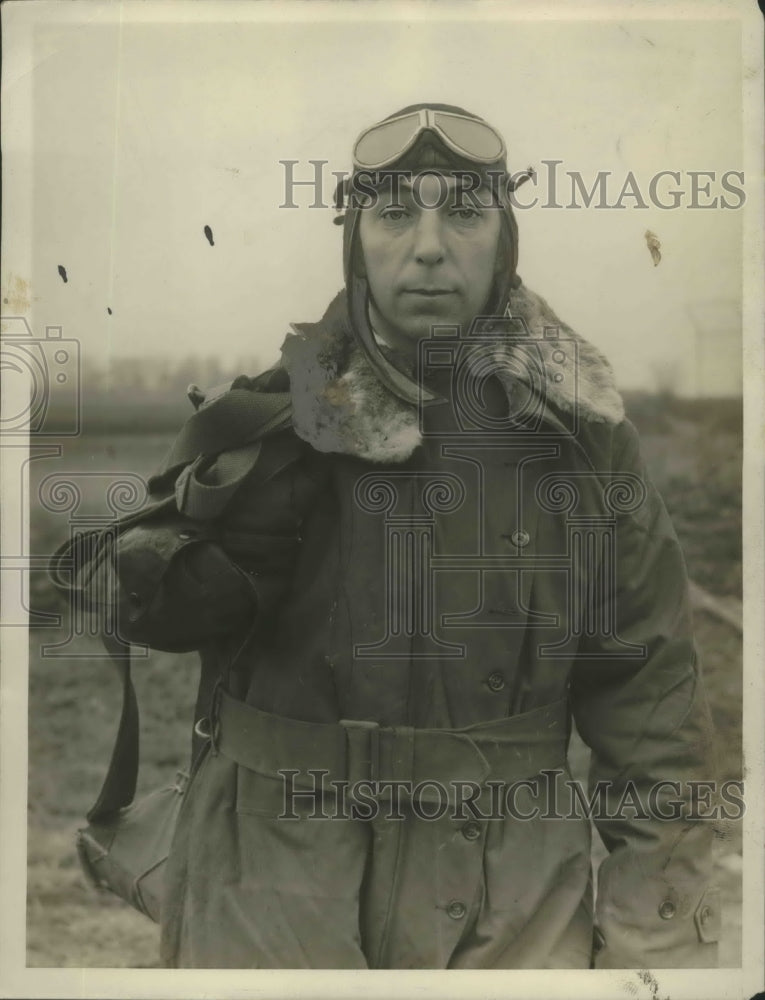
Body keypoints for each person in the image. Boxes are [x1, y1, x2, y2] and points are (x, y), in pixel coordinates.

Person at [95, 104, 720, 969]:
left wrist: (656, 942)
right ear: (355, 240)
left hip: (517, 899)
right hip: (270, 885)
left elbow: (653, 711)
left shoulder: (578, 439)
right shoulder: (269, 418)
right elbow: (138, 608)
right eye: (393, 213)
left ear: (504, 239)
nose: (428, 246)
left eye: (463, 210)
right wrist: (199, 541)